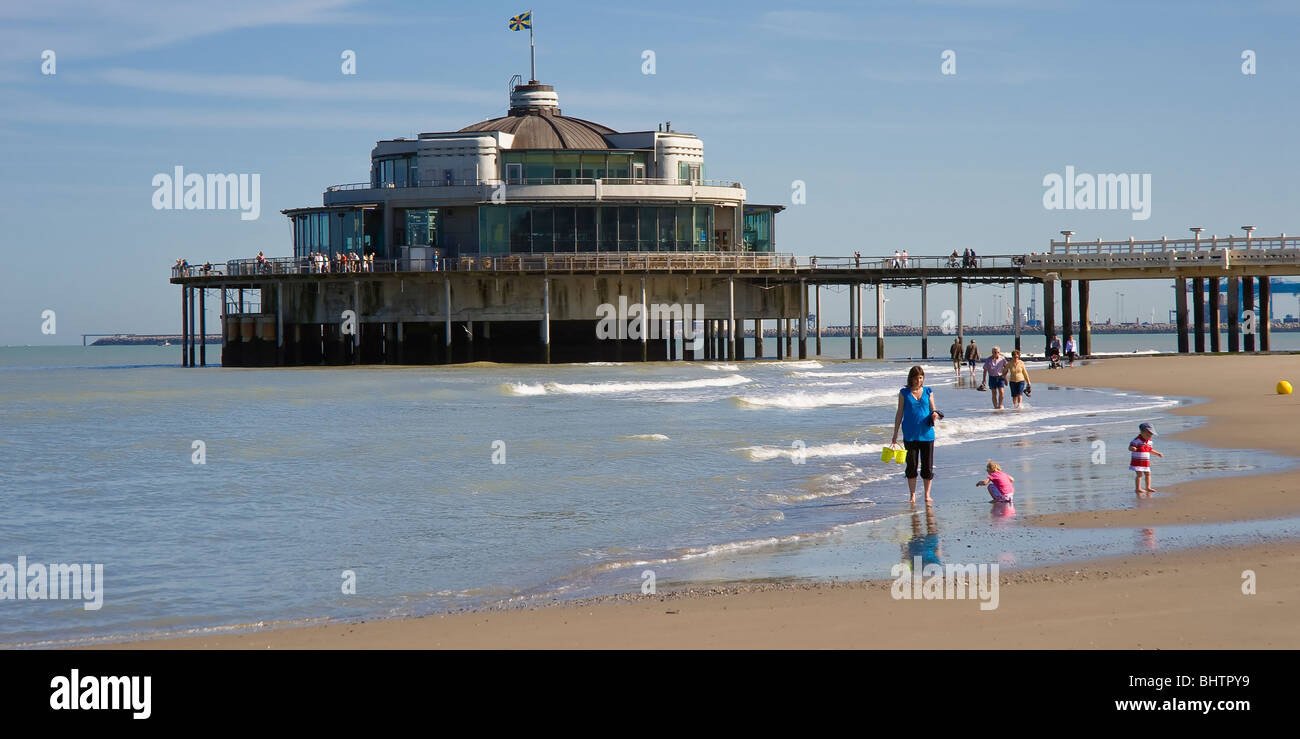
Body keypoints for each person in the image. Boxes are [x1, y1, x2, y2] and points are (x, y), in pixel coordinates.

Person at [891, 365, 938, 504]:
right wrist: (895, 434)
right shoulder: (904, 393)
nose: (919, 381)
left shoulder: (928, 391)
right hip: (910, 435)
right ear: (911, 378)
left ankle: (927, 494)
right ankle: (912, 495)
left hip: (927, 434)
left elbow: (933, 409)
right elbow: (899, 413)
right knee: (911, 466)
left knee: (927, 466)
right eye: (917, 378)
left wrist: (935, 414)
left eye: (921, 378)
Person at [1129, 423, 1163, 494]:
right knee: (1139, 475)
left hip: (1145, 462)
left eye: (1151, 435)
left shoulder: (1149, 441)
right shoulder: (1136, 440)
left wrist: (1157, 453)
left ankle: (1148, 487)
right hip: (1137, 461)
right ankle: (1138, 488)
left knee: (1148, 474)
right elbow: (1130, 447)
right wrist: (1133, 448)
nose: (1149, 436)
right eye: (1148, 435)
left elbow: (1150, 450)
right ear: (1141, 432)